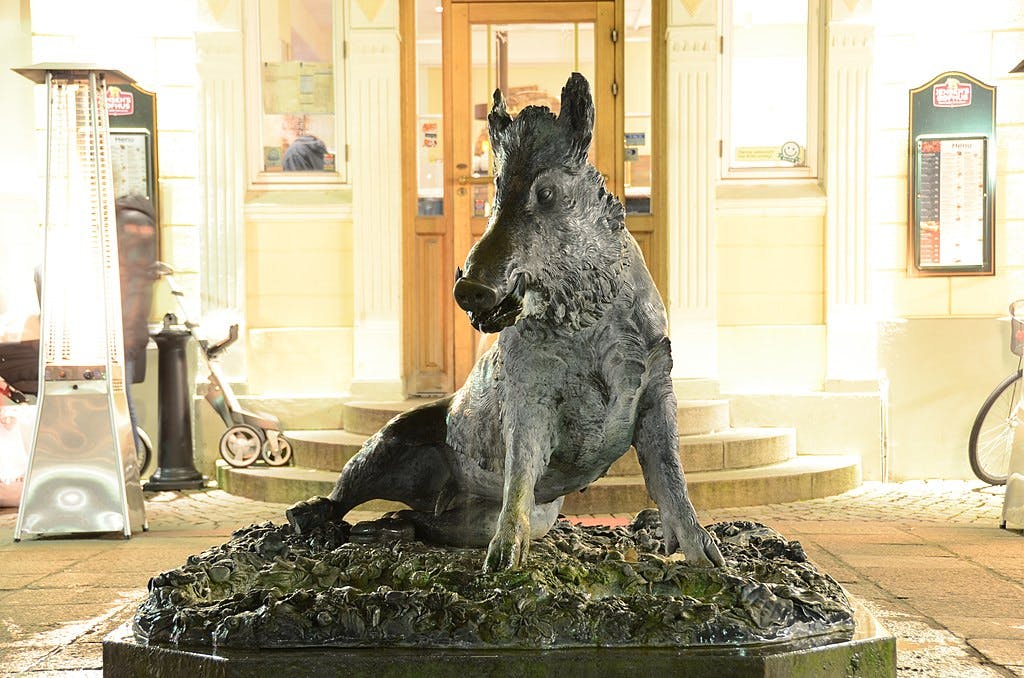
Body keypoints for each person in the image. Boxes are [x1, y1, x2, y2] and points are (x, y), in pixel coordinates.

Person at [115, 194, 158, 458]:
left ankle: (129, 460)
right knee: (124, 399)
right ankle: (131, 462)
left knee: (121, 400)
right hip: (133, 326)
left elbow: (126, 281)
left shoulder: (124, 221)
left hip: (122, 329)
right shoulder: (144, 222)